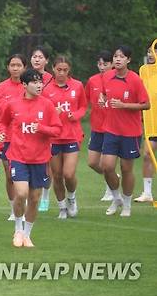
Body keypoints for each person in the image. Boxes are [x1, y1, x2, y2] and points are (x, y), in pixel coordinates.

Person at [0, 68, 61, 248]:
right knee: (21, 193)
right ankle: (18, 229)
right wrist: (2, 134)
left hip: (40, 159)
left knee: (34, 198)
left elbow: (57, 130)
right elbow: (3, 122)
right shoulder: (13, 104)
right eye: (34, 82)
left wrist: (41, 128)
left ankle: (27, 234)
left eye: (40, 82)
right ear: (24, 85)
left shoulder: (47, 105)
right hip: (18, 156)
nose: (39, 85)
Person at [99, 45, 150, 217]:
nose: (118, 59)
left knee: (127, 169)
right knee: (107, 166)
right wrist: (102, 99)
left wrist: (124, 105)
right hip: (110, 129)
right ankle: (116, 197)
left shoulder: (135, 79)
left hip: (130, 132)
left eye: (122, 56)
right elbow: (105, 95)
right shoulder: (107, 76)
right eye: (115, 56)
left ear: (128, 60)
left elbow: (146, 104)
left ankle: (127, 205)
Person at [43, 56, 87, 219]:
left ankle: (72, 198)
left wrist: (73, 115)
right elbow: (42, 111)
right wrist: (52, 114)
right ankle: (62, 207)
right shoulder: (46, 89)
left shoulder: (77, 86)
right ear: (53, 69)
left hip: (72, 135)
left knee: (69, 174)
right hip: (53, 137)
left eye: (65, 70)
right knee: (57, 175)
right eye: (59, 69)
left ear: (69, 70)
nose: (61, 73)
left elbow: (83, 106)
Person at [0, 54, 28, 220]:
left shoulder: (28, 87)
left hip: (26, 138)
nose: (15, 68)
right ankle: (13, 208)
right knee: (9, 174)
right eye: (12, 65)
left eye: (19, 65)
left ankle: (24, 203)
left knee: (23, 173)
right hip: (7, 138)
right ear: (8, 67)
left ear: (24, 67)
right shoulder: (0, 89)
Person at [85, 50, 114, 201]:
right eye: (100, 64)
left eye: (105, 64)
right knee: (92, 162)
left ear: (112, 64)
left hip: (112, 127)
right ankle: (114, 177)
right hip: (96, 127)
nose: (102, 67)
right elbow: (87, 101)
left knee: (105, 162)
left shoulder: (117, 79)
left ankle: (110, 189)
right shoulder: (92, 80)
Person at [30, 46, 54, 212]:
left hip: (46, 126)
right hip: (28, 127)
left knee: (47, 163)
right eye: (34, 56)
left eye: (40, 57)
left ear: (46, 60)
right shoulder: (26, 77)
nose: (37, 59)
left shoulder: (52, 80)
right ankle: (29, 195)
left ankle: (45, 194)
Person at [137, 45, 157, 203]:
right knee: (147, 156)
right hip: (151, 123)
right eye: (149, 51)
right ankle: (147, 192)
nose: (151, 54)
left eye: (154, 51)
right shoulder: (144, 70)